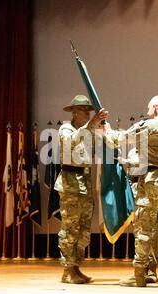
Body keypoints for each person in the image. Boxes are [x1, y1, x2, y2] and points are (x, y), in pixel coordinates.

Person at [108, 95, 158, 287]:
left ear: (157, 107)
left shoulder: (149, 126)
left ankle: (139, 274)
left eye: (149, 106)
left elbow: (120, 139)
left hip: (151, 181)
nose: (147, 110)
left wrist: (106, 130)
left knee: (143, 227)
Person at [54, 95, 108, 284]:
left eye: (89, 110)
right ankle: (68, 270)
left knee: (83, 230)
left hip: (84, 182)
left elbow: (100, 148)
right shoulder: (66, 129)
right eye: (84, 110)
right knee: (70, 228)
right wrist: (92, 124)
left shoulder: (89, 130)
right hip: (70, 184)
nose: (88, 112)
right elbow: (73, 141)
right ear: (75, 112)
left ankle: (75, 267)